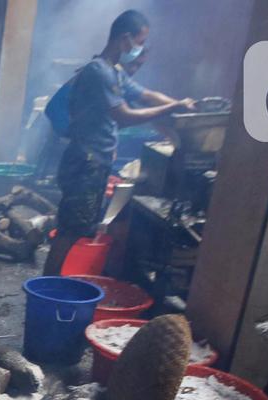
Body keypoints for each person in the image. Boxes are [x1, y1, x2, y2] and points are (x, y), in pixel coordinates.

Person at [43, 10, 194, 275]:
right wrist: (169, 110)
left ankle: (55, 282)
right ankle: (47, 285)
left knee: (78, 226)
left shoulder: (115, 72)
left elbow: (146, 95)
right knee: (70, 229)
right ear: (125, 39)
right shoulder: (98, 72)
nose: (139, 49)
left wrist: (180, 105)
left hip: (95, 161)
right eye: (139, 42)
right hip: (85, 161)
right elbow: (123, 116)